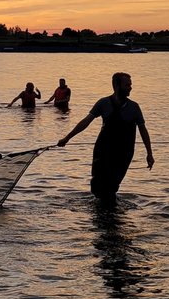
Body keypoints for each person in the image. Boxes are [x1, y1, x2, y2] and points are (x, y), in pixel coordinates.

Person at [57, 72, 154, 207]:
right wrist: (67, 138)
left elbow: (143, 131)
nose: (130, 88)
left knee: (111, 186)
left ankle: (109, 215)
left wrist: (149, 153)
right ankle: (103, 215)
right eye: (127, 85)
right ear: (116, 85)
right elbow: (86, 122)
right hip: (102, 151)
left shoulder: (134, 107)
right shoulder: (103, 103)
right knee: (97, 186)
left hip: (123, 153)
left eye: (130, 85)